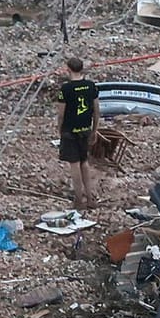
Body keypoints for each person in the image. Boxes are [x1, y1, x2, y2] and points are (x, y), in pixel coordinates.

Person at [56, 57, 101, 207]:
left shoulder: (66, 89)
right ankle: (90, 197)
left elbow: (61, 113)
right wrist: (95, 129)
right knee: (84, 162)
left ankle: (78, 199)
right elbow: (96, 110)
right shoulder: (91, 86)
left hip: (70, 130)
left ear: (68, 69)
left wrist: (59, 128)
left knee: (74, 164)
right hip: (85, 128)